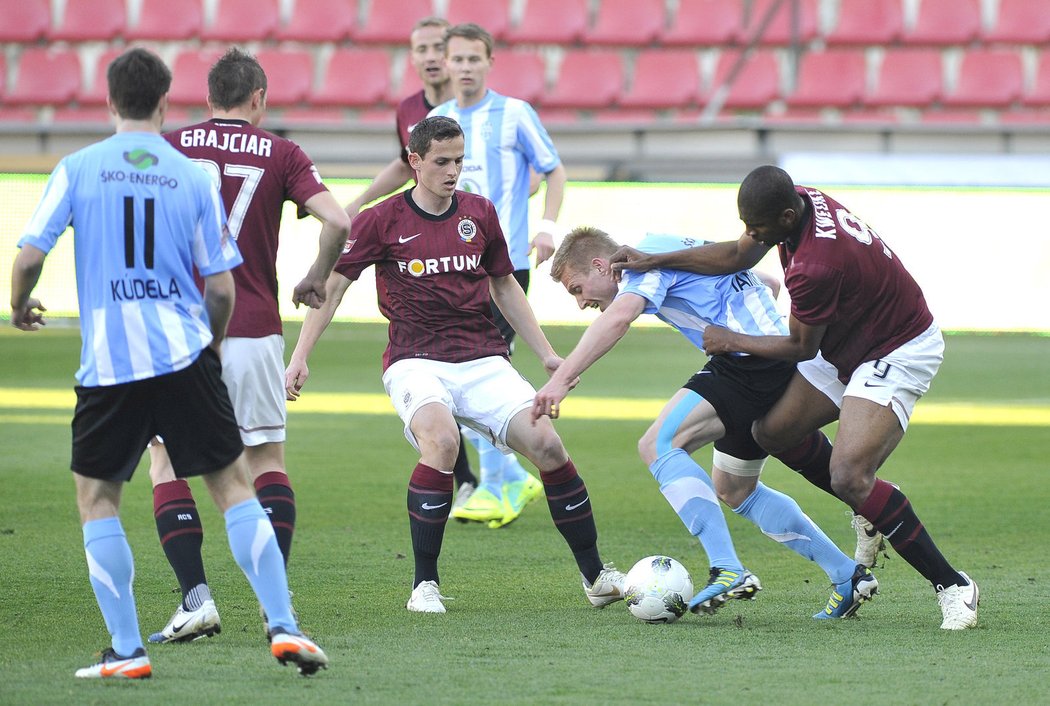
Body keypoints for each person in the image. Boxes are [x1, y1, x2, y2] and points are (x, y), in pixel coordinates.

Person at [9, 48, 328, 678]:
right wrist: (207, 347)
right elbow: (222, 287)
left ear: (109, 101)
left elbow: (26, 256)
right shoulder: (191, 176)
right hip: (184, 354)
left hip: (110, 366)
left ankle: (128, 650)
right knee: (236, 488)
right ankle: (284, 624)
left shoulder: (78, 168)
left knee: (99, 499)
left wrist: (20, 304)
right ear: (164, 101)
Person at [609, 165, 978, 630]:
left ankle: (953, 585)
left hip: (896, 346)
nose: (751, 235)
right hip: (846, 339)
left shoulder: (814, 267)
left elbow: (798, 347)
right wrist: (654, 260)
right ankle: (871, 502)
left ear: (785, 217)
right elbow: (738, 255)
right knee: (771, 432)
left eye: (758, 229)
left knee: (848, 475)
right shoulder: (798, 201)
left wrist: (729, 339)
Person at [283, 116, 624, 613]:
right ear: (415, 162)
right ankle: (425, 585)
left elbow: (503, 284)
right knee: (441, 442)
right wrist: (300, 356)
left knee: (548, 445)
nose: (453, 171)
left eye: (459, 161)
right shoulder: (381, 220)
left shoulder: (479, 214)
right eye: (442, 161)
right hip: (415, 360)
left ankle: (596, 576)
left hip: (484, 358)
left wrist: (546, 352)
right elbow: (333, 287)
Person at [534, 227, 878, 618]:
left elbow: (618, 319)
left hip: (749, 361)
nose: (581, 303)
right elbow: (765, 281)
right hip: (765, 357)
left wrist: (559, 382)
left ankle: (727, 568)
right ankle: (847, 575)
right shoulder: (669, 248)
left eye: (576, 289)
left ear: (600, 265)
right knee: (734, 488)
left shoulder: (639, 264)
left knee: (657, 445)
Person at [144, 48, 351, 644]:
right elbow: (337, 221)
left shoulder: (172, 145)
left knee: (165, 459)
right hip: (255, 326)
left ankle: (196, 599)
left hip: (180, 330)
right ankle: (273, 605)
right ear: (258, 98)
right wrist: (315, 276)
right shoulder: (282, 151)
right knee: (265, 463)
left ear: (208, 98)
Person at [428, 23, 568, 528]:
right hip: (450, 268)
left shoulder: (514, 114)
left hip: (505, 266)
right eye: (456, 59)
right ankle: (509, 476)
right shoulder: (437, 119)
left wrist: (547, 226)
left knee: (477, 366)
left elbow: (553, 169)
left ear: (488, 62)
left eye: (473, 59)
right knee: (459, 369)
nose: (464, 67)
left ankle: (497, 481)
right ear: (445, 65)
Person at [343, 16, 481, 511]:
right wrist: (358, 203)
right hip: (423, 243)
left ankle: (491, 475)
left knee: (481, 359)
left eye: (437, 48)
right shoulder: (408, 110)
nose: (429, 56)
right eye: (419, 47)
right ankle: (468, 476)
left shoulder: (473, 110)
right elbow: (404, 168)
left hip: (476, 246)